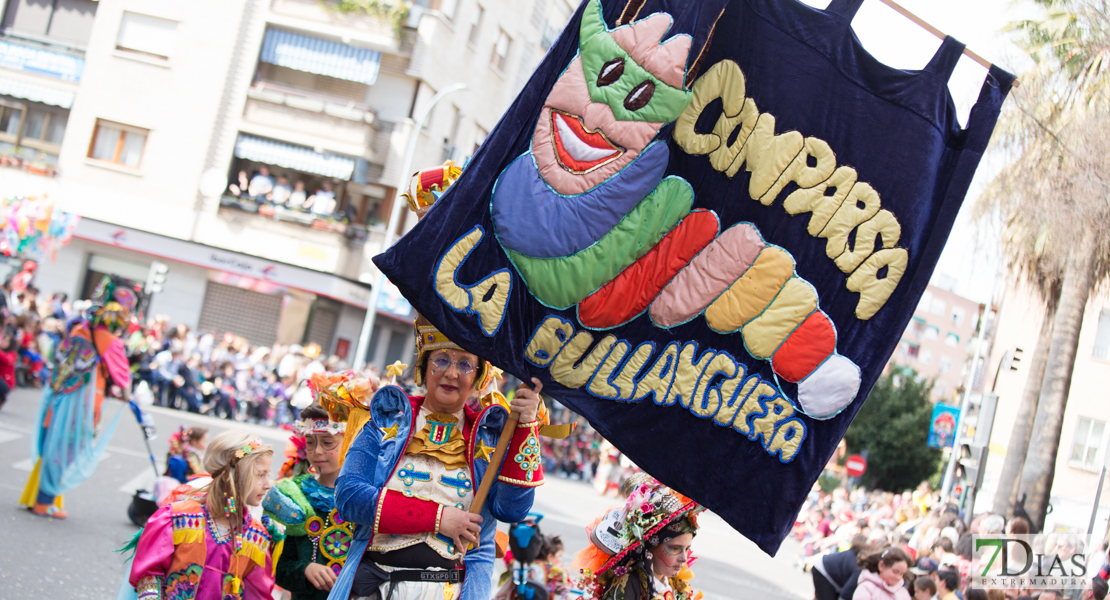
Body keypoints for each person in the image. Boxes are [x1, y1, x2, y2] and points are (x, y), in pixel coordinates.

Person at [328, 315, 545, 600]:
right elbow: (349, 497)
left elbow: (512, 510)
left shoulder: (491, 439)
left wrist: (527, 427)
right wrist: (438, 518)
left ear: (478, 377)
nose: (452, 373)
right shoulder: (383, 421)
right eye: (441, 359)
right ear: (423, 368)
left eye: (465, 363)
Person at [19, 276, 134, 519]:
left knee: (52, 445)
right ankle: (44, 501)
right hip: (83, 406)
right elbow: (124, 381)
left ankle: (40, 498)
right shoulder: (111, 342)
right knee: (66, 451)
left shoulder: (79, 330)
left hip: (59, 397)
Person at [124, 430, 282, 600]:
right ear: (230, 476)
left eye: (268, 475)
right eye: (260, 474)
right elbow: (149, 573)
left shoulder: (257, 538)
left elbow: (257, 595)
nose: (267, 485)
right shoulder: (176, 518)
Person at [264, 389, 357, 600]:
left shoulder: (368, 498)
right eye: (310, 442)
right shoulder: (291, 495)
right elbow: (273, 564)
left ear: (350, 442)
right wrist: (304, 569)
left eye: (327, 443)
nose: (317, 452)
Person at [572, 474, 704, 600]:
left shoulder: (672, 582)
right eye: (675, 549)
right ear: (652, 544)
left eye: (687, 549)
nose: (684, 558)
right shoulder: (628, 583)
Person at [814, 535, 869, 600]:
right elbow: (845, 594)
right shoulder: (860, 567)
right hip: (824, 570)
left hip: (828, 571)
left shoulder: (858, 557)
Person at [0, 327, 16, 410]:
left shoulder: (12, 354)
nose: (2, 342)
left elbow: (7, 360)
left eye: (6, 341)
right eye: (3, 340)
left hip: (6, 382)